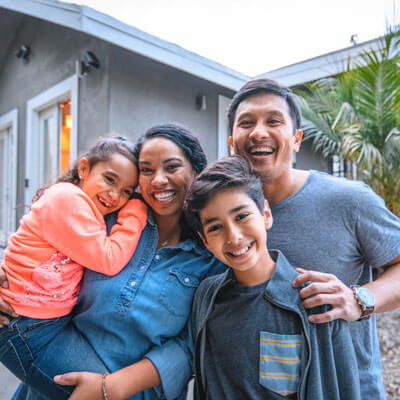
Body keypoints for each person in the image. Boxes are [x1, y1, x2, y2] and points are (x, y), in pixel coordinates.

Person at [0, 123, 225, 400]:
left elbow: (192, 345)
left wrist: (112, 387)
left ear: (196, 172)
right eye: (146, 170)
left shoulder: (211, 255)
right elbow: (38, 248)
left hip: (136, 394)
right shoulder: (107, 220)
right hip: (48, 379)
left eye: (172, 167)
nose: (157, 180)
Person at [228, 78, 400, 399]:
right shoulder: (219, 217)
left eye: (274, 121)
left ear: (296, 139)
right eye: (246, 123)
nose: (258, 132)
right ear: (231, 142)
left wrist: (359, 299)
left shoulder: (350, 200)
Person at [185, 155, 361, 399]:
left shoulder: (316, 299)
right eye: (215, 227)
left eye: (241, 216)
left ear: (266, 214)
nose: (233, 236)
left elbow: (344, 386)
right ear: (205, 241)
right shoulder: (206, 298)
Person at [0, 136, 147, 386]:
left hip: (44, 323)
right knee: (100, 391)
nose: (114, 195)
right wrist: (136, 210)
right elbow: (109, 258)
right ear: (84, 169)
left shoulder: (82, 205)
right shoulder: (68, 200)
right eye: (109, 179)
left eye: (126, 191)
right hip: (23, 324)